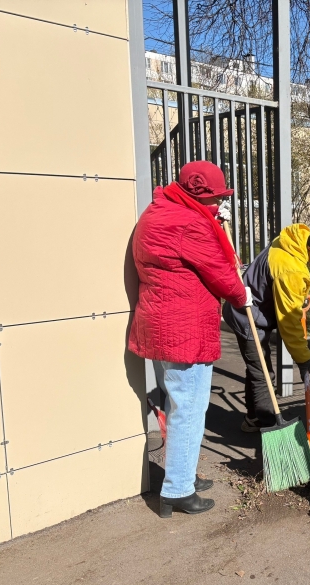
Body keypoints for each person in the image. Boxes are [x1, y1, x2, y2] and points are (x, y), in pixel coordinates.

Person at [129, 161, 252, 517]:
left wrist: (213, 220)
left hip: (162, 324)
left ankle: (182, 473)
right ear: (198, 195)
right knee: (190, 409)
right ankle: (178, 490)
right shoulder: (190, 223)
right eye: (215, 198)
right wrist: (241, 295)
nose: (219, 204)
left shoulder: (158, 211)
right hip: (185, 330)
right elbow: (220, 272)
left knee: (178, 403)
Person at [223, 224, 310, 432]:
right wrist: (303, 358)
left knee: (257, 368)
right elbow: (289, 323)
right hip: (247, 316)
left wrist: (298, 295)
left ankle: (253, 418)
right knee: (263, 374)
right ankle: (269, 426)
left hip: (252, 308)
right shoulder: (291, 270)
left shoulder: (292, 242)